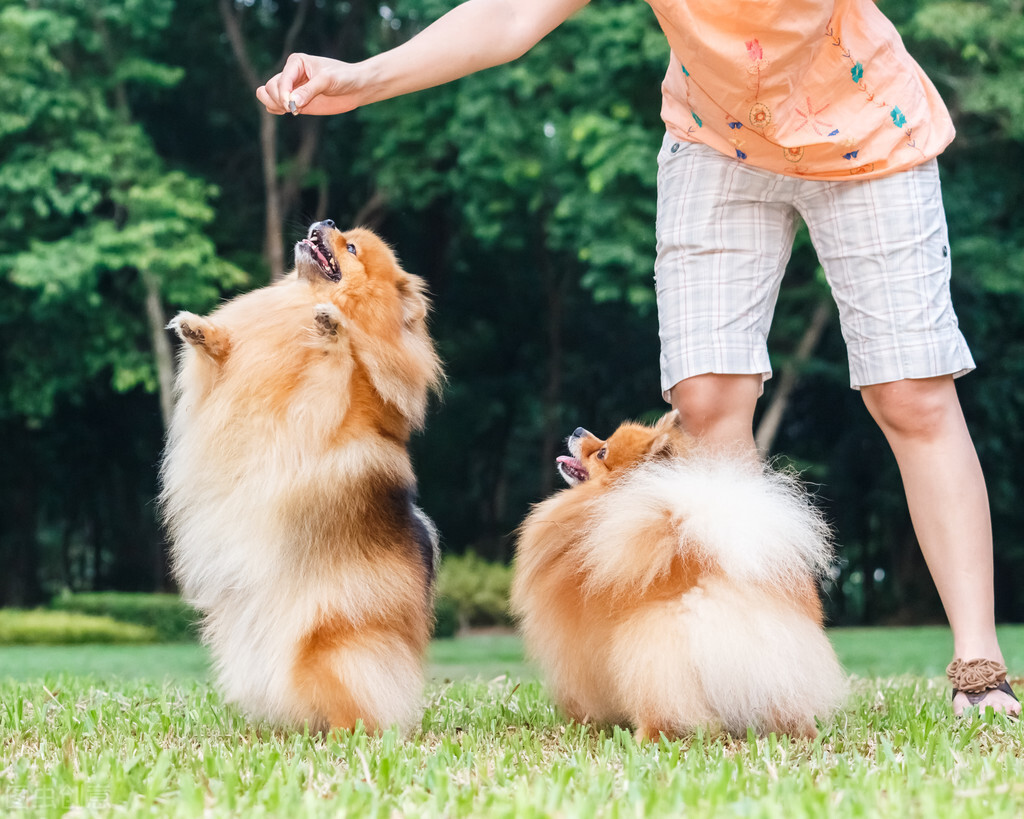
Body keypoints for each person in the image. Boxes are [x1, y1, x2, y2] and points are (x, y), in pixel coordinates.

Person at [258, 0, 1020, 717]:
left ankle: (979, 666)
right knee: (707, 400)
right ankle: (755, 664)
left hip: (866, 134)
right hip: (716, 142)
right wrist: (361, 78)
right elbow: (511, 15)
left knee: (910, 394)